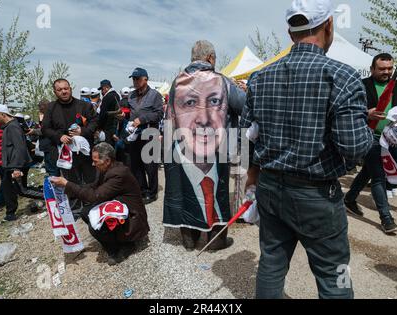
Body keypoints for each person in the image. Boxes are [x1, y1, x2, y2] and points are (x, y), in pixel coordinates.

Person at [241, 0, 373, 299]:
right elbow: (354, 147)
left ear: (291, 34)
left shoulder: (260, 77)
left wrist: (253, 174)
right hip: (316, 195)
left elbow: (249, 136)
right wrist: (367, 129)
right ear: (329, 25)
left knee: (272, 263)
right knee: (334, 273)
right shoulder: (342, 75)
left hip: (271, 187)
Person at [163, 40, 246, 251]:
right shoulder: (223, 81)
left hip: (183, 144)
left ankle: (188, 239)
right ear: (210, 59)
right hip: (217, 146)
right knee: (218, 190)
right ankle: (215, 241)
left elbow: (169, 118)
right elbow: (246, 107)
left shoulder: (177, 82)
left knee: (185, 191)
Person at [50, 143, 150, 265]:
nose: (93, 164)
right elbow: (94, 187)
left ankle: (122, 246)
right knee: (86, 212)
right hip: (121, 208)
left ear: (107, 160)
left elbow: (94, 196)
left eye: (95, 161)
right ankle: (116, 241)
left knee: (95, 226)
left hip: (132, 218)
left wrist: (67, 184)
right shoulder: (108, 168)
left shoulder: (118, 174)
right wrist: (69, 187)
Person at [344, 53, 397, 233]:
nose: (386, 72)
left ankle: (349, 198)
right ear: (372, 69)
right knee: (379, 176)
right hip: (368, 137)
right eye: (382, 69)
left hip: (390, 138)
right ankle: (386, 219)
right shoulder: (361, 85)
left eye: (389, 68)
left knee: (368, 171)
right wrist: (366, 113)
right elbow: (348, 110)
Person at [42, 79, 98, 213]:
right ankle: (75, 207)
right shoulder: (51, 108)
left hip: (84, 151)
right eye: (60, 89)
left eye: (66, 88)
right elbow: (45, 128)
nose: (63, 91)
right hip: (64, 152)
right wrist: (58, 136)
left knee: (90, 178)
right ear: (55, 92)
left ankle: (92, 204)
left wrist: (82, 131)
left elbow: (95, 121)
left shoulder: (84, 105)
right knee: (70, 181)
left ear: (70, 89)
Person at [128, 68, 164, 204]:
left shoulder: (155, 95)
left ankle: (152, 192)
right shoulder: (131, 95)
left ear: (145, 79)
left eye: (137, 78)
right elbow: (128, 112)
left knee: (151, 165)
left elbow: (159, 114)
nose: (135, 81)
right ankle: (142, 189)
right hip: (134, 135)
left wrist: (143, 119)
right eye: (133, 79)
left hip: (150, 134)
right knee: (136, 164)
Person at [0, 104, 32, 221]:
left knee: (21, 190)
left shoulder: (12, 127)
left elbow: (20, 148)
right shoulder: (8, 127)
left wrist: (17, 168)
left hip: (15, 165)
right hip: (11, 164)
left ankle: (47, 197)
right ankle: (10, 213)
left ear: (3, 115)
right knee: (9, 188)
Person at [26, 100, 59, 177]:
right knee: (49, 167)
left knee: (52, 168)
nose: (40, 110)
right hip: (46, 146)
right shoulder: (47, 116)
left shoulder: (52, 117)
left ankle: (54, 186)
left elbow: (45, 131)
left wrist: (34, 131)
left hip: (51, 146)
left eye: (41, 108)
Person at [98, 79, 121, 146]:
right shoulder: (117, 95)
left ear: (106, 88)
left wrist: (99, 127)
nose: (101, 92)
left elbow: (103, 114)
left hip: (107, 129)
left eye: (102, 89)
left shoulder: (107, 97)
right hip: (115, 127)